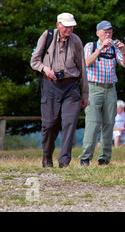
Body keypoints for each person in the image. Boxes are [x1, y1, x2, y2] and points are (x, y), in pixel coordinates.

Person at [30, 12, 89, 168]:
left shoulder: (76, 41)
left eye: (72, 26)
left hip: (71, 87)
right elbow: (34, 61)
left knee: (70, 123)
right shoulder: (47, 35)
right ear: (58, 25)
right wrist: (45, 69)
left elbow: (82, 68)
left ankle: (64, 162)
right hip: (50, 85)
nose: (69, 29)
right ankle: (47, 157)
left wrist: (84, 93)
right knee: (49, 125)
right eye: (67, 26)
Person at [78, 20, 125, 166]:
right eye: (105, 32)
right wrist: (101, 48)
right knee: (93, 123)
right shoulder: (91, 46)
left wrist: (123, 50)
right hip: (93, 88)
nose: (108, 34)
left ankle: (104, 159)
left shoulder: (114, 48)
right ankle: (85, 158)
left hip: (110, 89)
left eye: (110, 32)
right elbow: (87, 62)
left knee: (109, 123)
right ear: (98, 33)